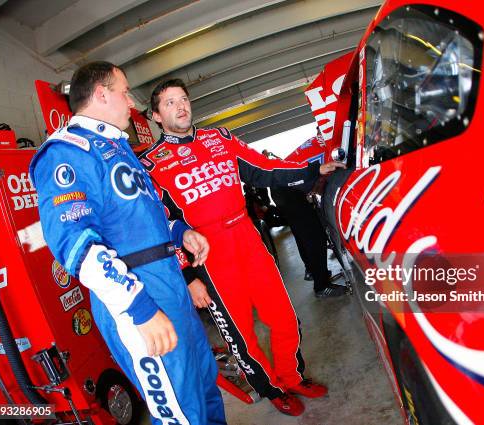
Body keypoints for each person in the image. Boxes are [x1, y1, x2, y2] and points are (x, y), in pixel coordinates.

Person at [30, 62, 226, 425]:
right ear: (102, 94)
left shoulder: (117, 148)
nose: (131, 103)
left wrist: (180, 231)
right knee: (179, 412)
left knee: (204, 386)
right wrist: (140, 309)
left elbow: (143, 215)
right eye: (124, 92)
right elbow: (77, 246)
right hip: (137, 293)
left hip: (169, 283)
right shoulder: (66, 152)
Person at [139, 78, 346, 416]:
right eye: (170, 103)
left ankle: (292, 376)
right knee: (241, 332)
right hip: (209, 255)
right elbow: (158, 226)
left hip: (248, 238)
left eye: (183, 99)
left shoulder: (219, 138)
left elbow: (264, 169)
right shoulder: (150, 164)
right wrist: (188, 275)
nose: (181, 106)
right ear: (158, 116)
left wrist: (311, 168)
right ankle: (272, 387)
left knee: (283, 315)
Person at [270, 186, 345, 297]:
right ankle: (322, 286)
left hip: (281, 192)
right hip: (289, 191)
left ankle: (312, 271)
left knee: (302, 234)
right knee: (315, 236)